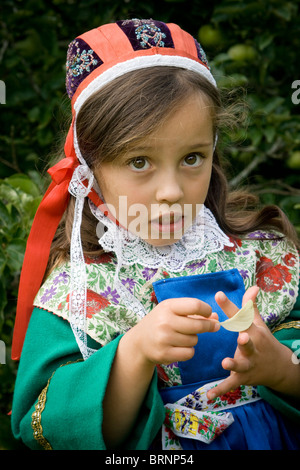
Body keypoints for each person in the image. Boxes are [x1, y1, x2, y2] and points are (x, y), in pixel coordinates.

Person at [11, 18, 300, 450]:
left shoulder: (268, 260)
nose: (171, 192)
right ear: (90, 170)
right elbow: (47, 426)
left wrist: (280, 367)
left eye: (192, 158)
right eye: (140, 162)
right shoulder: (79, 291)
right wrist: (135, 353)